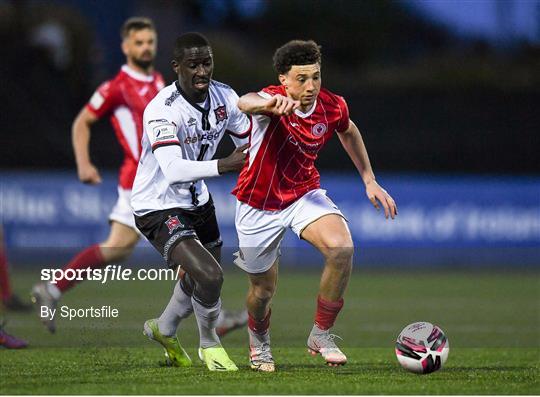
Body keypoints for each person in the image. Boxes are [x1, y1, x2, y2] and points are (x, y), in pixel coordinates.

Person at [31, 17, 246, 337]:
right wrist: (83, 162)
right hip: (146, 181)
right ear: (126, 47)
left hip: (174, 178)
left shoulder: (161, 82)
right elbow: (83, 122)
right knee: (133, 249)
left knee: (133, 250)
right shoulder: (115, 87)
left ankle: (55, 289)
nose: (146, 47)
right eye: (139, 42)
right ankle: (205, 321)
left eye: (150, 42)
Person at [233, 40, 398, 372]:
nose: (310, 87)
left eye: (316, 77)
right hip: (258, 204)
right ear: (283, 79)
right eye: (301, 79)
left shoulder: (331, 106)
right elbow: (243, 102)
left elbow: (348, 131)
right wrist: (267, 105)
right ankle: (259, 342)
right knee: (262, 291)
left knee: (342, 248)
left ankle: (321, 334)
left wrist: (368, 178)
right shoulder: (270, 99)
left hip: (303, 194)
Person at [131, 32, 252, 371]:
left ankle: (164, 327)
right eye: (193, 65)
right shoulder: (161, 110)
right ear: (176, 67)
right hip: (158, 204)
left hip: (198, 200)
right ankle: (209, 343)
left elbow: (250, 140)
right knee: (211, 276)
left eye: (207, 63)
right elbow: (172, 169)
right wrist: (225, 165)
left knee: (202, 276)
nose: (202, 71)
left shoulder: (224, 97)